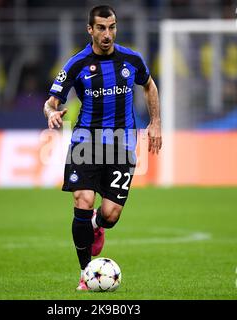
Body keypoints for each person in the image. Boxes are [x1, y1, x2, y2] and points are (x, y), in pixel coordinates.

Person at [43, 5, 162, 291]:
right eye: (101, 28)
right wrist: (51, 112)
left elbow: (149, 85)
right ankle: (86, 274)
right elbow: (51, 101)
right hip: (86, 143)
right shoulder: (77, 64)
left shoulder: (131, 59)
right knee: (82, 200)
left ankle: (97, 224)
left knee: (110, 215)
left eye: (112, 27)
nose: (107, 34)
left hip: (121, 145)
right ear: (90, 30)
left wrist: (156, 122)